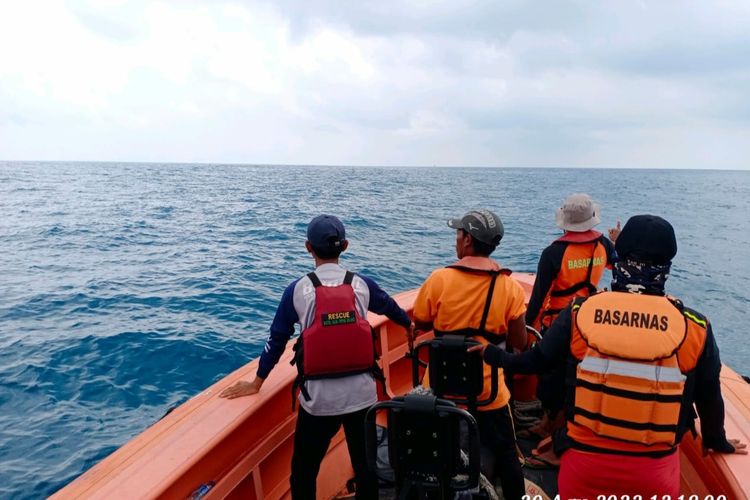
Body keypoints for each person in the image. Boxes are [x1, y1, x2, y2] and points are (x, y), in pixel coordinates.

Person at [475, 215, 747, 497]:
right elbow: (709, 396)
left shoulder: (580, 312)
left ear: (620, 258)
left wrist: (493, 355)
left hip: (584, 468)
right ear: (668, 263)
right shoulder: (695, 327)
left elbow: (536, 362)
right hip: (654, 476)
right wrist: (717, 440)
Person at [220, 214, 413, 500]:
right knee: (366, 468)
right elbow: (391, 308)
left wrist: (257, 382)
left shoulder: (298, 290)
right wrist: (408, 326)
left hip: (319, 401)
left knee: (303, 471)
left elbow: (276, 340)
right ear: (345, 246)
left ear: (308, 247)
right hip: (362, 396)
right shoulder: (362, 284)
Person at [412, 209, 527, 500]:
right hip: (489, 393)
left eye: (458, 234)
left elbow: (422, 321)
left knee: (432, 453)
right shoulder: (509, 287)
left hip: (440, 389)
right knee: (506, 453)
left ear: (467, 241)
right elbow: (520, 341)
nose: (457, 240)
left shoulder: (439, 279)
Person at [524, 193, 620, 441]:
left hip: (560, 323)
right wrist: (616, 242)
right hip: (592, 320)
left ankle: (550, 427)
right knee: (578, 374)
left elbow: (538, 297)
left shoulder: (553, 253)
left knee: (552, 375)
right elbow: (617, 265)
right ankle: (565, 425)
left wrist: (527, 328)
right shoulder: (604, 245)